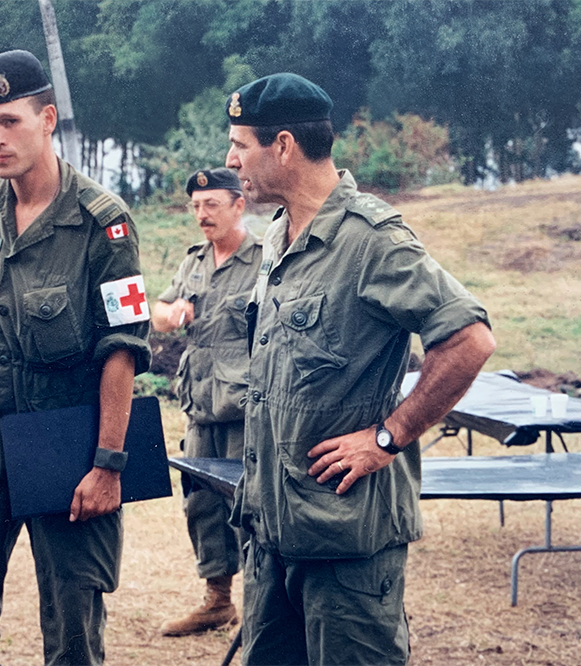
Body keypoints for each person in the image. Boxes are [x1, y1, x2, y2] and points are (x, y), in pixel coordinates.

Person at [223, 73, 496, 665]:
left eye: (240, 144)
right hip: (273, 537)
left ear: (285, 145)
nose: (230, 158)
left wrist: (386, 438)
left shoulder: (372, 240)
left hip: (346, 543)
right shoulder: (278, 237)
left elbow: (470, 338)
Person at [0, 50, 151, 665]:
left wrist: (109, 464)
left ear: (48, 117)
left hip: (65, 436)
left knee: (71, 624)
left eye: (10, 122)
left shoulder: (105, 222)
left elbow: (123, 346)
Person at [151, 168, 261, 636]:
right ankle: (218, 601)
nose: (202, 215)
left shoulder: (265, 259)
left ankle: (263, 608)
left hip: (245, 407)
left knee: (251, 507)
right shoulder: (194, 261)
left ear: (239, 205)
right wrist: (170, 314)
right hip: (199, 401)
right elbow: (158, 312)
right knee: (201, 506)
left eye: (212, 204)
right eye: (196, 206)